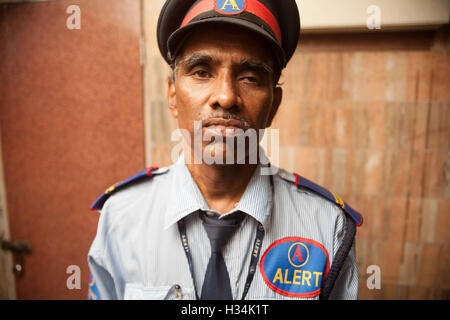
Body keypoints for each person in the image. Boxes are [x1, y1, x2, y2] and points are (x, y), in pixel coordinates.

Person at [87, 0, 363, 300]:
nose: (226, 96)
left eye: (250, 77)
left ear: (274, 104)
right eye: (202, 72)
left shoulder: (326, 225)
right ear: (172, 94)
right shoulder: (122, 216)